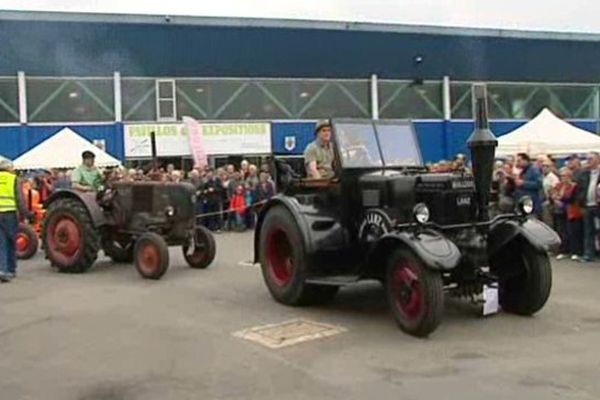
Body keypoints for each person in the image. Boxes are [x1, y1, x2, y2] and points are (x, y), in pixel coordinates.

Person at [0, 160, 31, 282]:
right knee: (11, 241)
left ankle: (2, 269)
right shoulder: (13, 179)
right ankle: (11, 269)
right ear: (9, 168)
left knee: (1, 242)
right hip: (9, 214)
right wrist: (27, 214)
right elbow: (20, 199)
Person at [576, 152, 600, 262]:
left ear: (598, 160)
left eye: (591, 159)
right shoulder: (584, 173)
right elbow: (579, 189)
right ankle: (588, 254)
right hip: (587, 205)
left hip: (598, 205)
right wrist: (581, 203)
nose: (588, 161)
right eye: (587, 159)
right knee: (588, 231)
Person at [514, 153, 543, 217]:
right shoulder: (523, 171)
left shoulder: (534, 170)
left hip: (531, 202)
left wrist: (523, 183)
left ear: (525, 160)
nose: (518, 163)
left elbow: (539, 184)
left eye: (519, 161)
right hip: (523, 201)